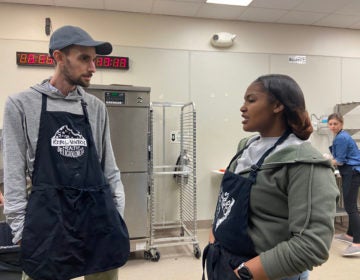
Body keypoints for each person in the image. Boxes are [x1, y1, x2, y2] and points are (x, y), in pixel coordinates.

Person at [2, 25, 130, 280]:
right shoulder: (20, 105)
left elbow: (110, 169)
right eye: (84, 58)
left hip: (96, 221)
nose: (93, 67)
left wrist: (115, 217)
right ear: (58, 57)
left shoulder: (95, 108)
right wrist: (20, 231)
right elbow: (14, 175)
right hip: (47, 225)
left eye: (94, 59)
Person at [203, 74, 339, 280]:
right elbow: (229, 202)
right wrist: (216, 234)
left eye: (251, 100)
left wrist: (244, 273)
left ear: (277, 105)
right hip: (222, 261)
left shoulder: (305, 163)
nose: (242, 107)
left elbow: (311, 245)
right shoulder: (246, 147)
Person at [328, 113, 360, 256]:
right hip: (350, 172)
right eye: (330, 124)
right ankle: (349, 235)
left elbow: (339, 160)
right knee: (350, 205)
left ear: (341, 124)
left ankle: (358, 242)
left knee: (351, 207)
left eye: (335, 124)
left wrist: (326, 161)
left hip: (352, 172)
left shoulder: (341, 138)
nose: (333, 126)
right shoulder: (341, 136)